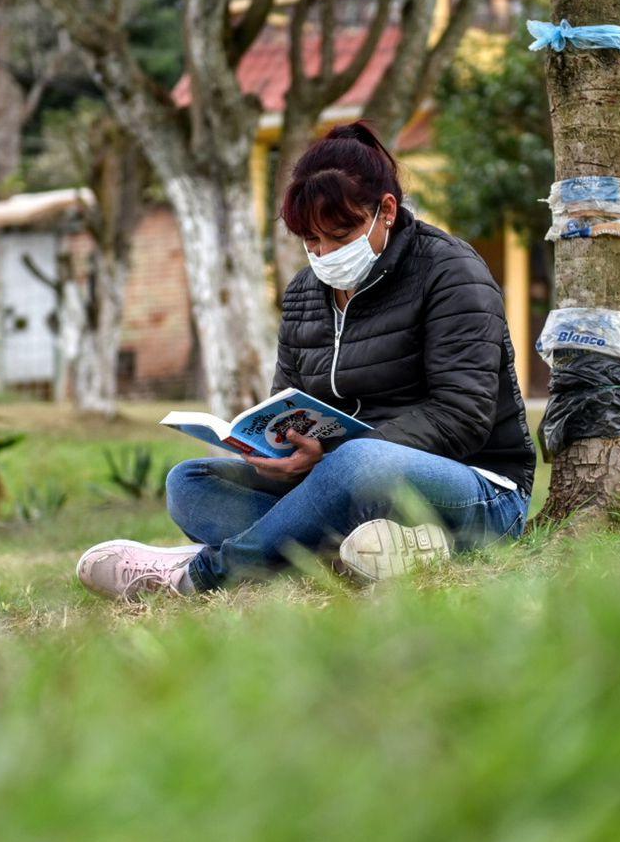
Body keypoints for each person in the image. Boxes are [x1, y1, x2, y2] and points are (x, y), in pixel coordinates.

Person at [77, 122, 536, 600]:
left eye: (340, 236)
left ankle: (201, 573)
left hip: (478, 488)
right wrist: (276, 455)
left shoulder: (450, 270)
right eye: (311, 240)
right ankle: (368, 552)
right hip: (339, 484)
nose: (324, 254)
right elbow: (288, 402)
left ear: (386, 211)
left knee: (358, 462)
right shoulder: (303, 293)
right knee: (190, 482)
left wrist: (339, 457)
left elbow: (463, 415)